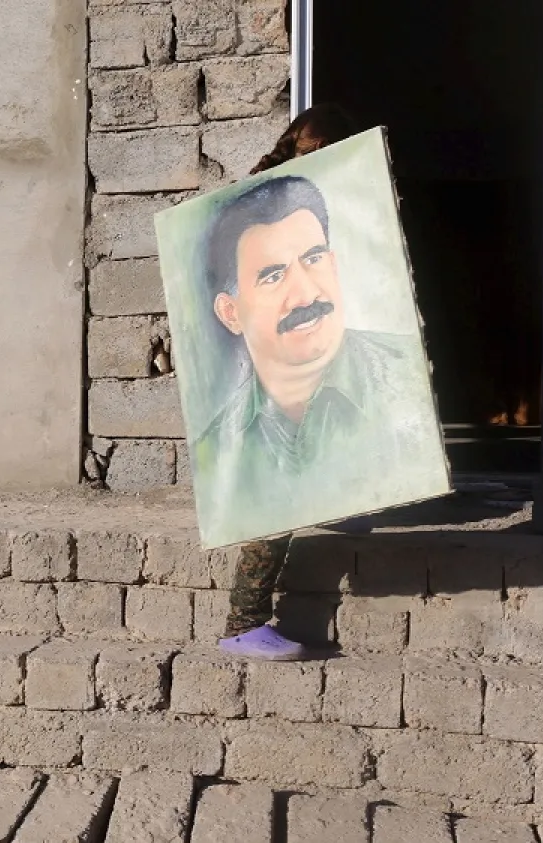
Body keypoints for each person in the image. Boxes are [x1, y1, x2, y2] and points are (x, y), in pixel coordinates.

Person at [208, 104, 438, 659]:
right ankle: (244, 623)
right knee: (279, 501)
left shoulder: (345, 204)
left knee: (348, 418)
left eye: (314, 258)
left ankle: (341, 499)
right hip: (274, 387)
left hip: (331, 363)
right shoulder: (262, 203)